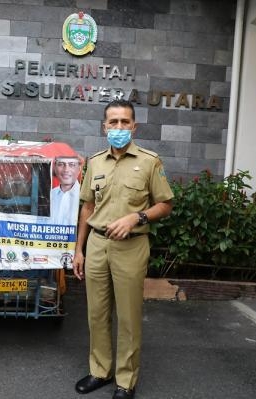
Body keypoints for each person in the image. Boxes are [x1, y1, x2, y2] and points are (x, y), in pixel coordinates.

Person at [72, 100, 173, 399]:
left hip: (131, 247)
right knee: (96, 314)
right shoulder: (96, 162)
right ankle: (100, 371)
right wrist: (80, 249)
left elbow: (165, 204)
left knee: (128, 317)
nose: (118, 128)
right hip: (98, 245)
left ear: (134, 126)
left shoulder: (150, 161)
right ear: (104, 126)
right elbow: (87, 206)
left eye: (124, 122)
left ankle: (126, 381)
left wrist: (136, 217)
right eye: (113, 122)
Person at [50, 156, 81, 225]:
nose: (66, 170)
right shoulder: (50, 195)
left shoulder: (84, 196)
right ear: (55, 168)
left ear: (79, 169)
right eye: (61, 164)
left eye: (71, 165)